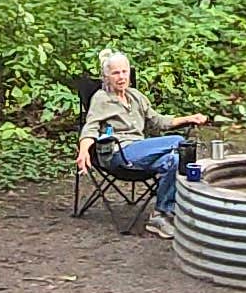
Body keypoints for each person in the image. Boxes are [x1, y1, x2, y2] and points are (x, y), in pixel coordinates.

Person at [76, 50, 196, 227]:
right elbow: (91, 127)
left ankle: (161, 213)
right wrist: (84, 150)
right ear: (106, 76)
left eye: (124, 71)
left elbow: (158, 121)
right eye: (115, 73)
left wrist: (189, 118)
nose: (121, 77)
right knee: (179, 142)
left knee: (175, 159)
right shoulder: (101, 99)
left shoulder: (136, 96)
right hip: (119, 155)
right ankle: (192, 199)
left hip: (140, 152)